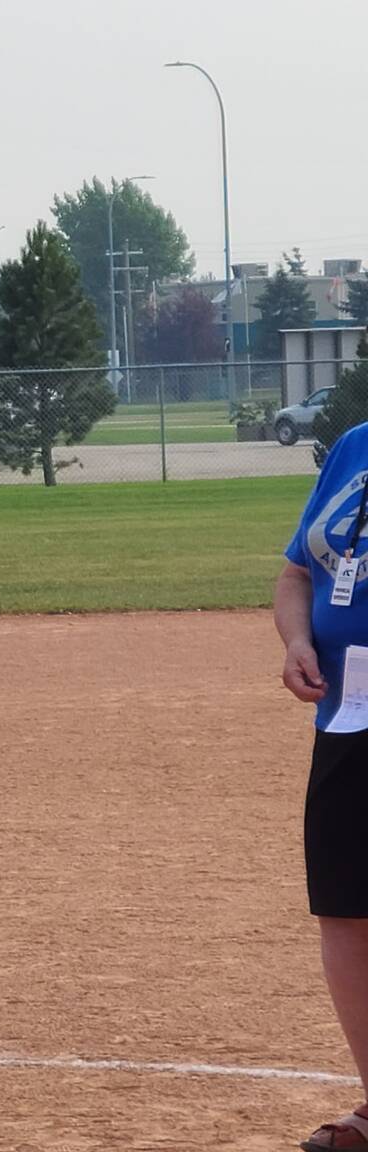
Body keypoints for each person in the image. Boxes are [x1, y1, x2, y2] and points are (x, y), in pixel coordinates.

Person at [276, 421, 368, 1151]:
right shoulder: (356, 445)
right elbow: (299, 573)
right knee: (348, 912)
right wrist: (299, 641)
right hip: (348, 716)